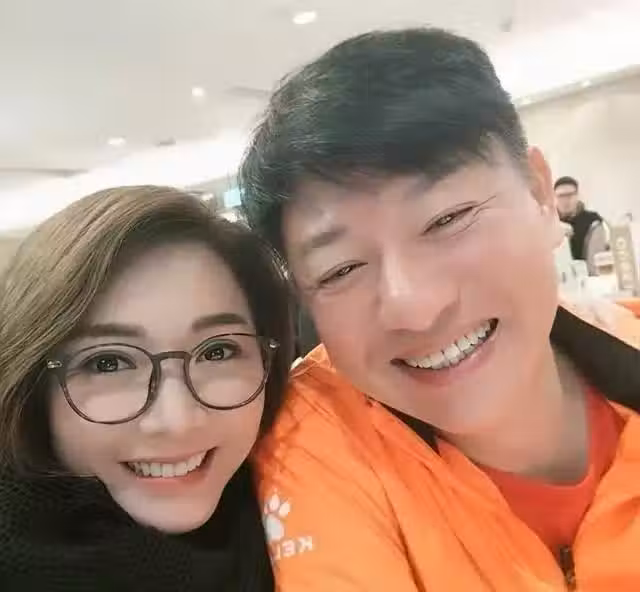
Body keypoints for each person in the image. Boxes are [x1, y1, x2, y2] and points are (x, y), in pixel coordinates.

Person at [240, 28, 640, 590]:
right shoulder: (311, 433)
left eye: (447, 220)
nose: (416, 308)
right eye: (341, 270)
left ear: (540, 195)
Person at [0, 186, 293, 591]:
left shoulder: (303, 508)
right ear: (32, 389)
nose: (177, 421)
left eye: (217, 351)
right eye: (108, 363)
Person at [554, 176, 606, 262]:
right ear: (554, 197)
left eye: (570, 195)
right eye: (561, 196)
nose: (565, 200)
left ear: (577, 195)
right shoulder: (548, 222)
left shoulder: (592, 221)